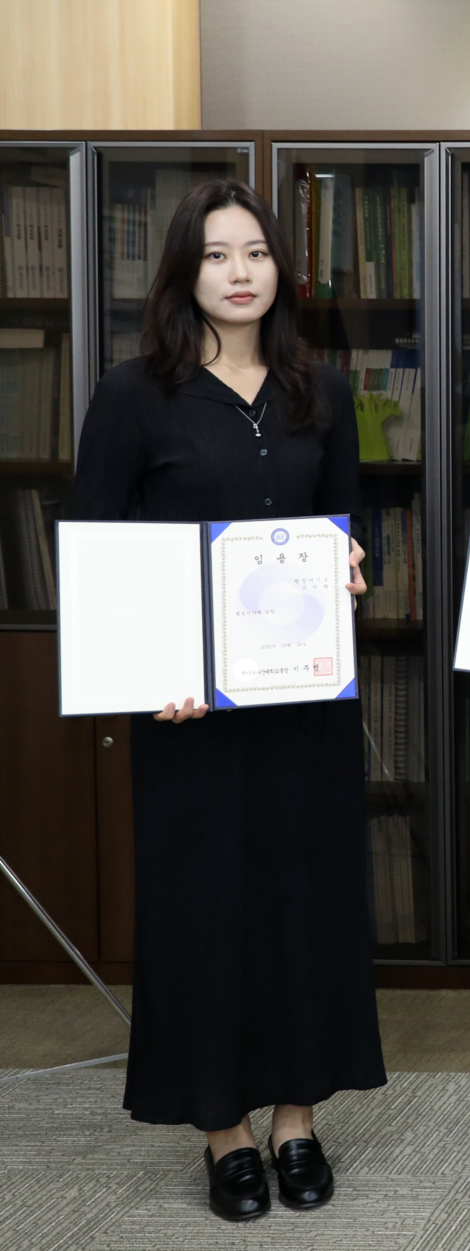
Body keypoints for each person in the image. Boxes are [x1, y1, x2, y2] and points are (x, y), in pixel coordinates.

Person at [67, 180, 383, 1222]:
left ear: (280, 270)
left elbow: (341, 530)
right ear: (183, 272)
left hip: (302, 706)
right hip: (186, 716)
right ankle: (225, 1131)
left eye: (255, 253)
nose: (240, 272)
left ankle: (296, 1119)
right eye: (216, 256)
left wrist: (350, 564)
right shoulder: (133, 392)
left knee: (307, 904)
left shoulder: (319, 390)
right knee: (204, 913)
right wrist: (150, 673)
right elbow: (99, 555)